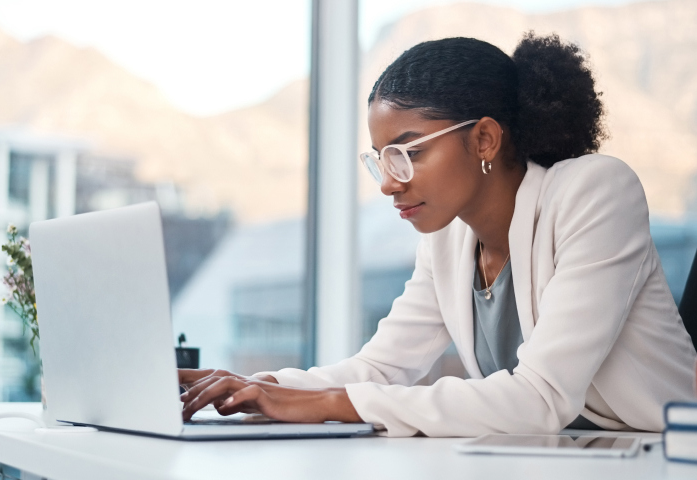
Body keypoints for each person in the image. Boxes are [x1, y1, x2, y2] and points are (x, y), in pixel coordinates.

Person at [179, 32, 697, 437]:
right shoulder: (448, 238)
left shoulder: (596, 192)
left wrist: (328, 403)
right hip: (556, 460)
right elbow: (382, 367)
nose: (387, 183)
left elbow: (541, 397)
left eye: (409, 153)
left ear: (485, 138)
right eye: (380, 159)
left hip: (661, 459)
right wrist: (256, 387)